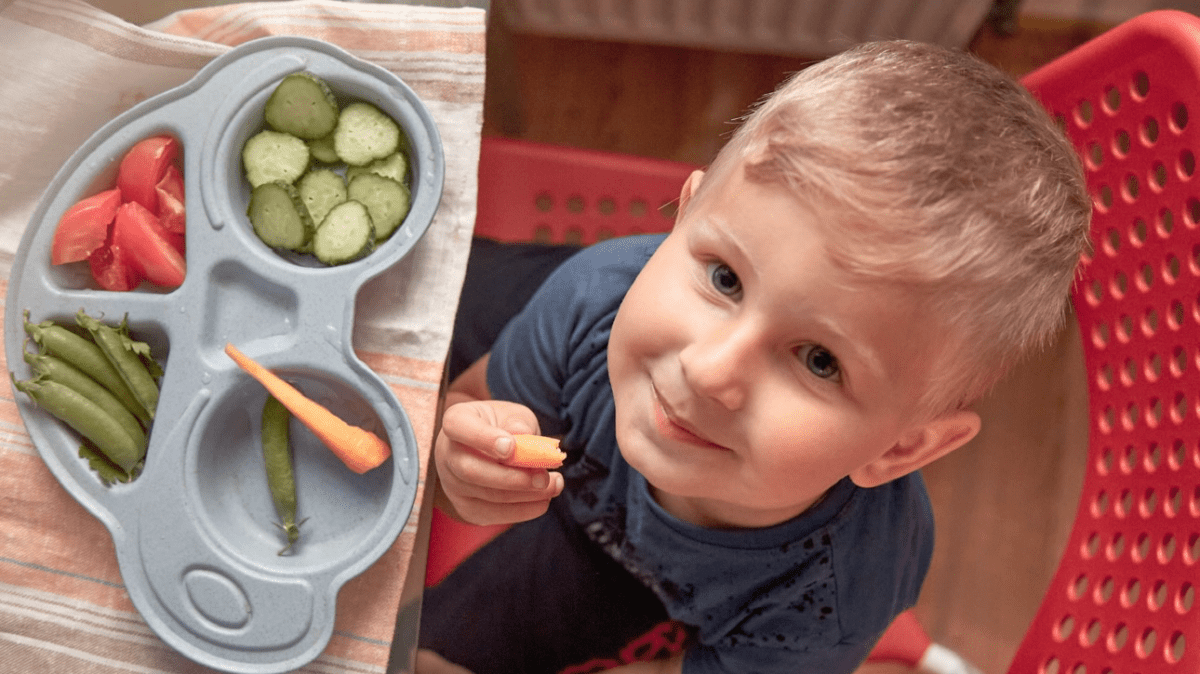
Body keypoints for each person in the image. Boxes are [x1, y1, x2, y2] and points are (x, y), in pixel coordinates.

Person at [417, 39, 1091, 674]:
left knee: (426, 654)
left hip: (621, 570)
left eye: (819, 360)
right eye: (725, 278)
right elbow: (476, 404)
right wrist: (462, 459)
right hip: (577, 335)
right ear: (681, 220)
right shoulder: (596, 296)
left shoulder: (829, 600)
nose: (710, 371)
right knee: (419, 283)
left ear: (901, 448)